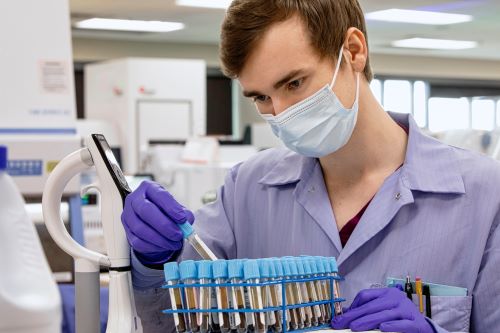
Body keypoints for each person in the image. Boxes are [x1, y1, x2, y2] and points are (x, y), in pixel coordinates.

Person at [122, 1, 500, 332]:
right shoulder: (247, 191)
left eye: (294, 83)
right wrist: (153, 262)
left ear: (353, 51)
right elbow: (170, 322)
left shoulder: (485, 198)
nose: (281, 114)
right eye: (261, 98)